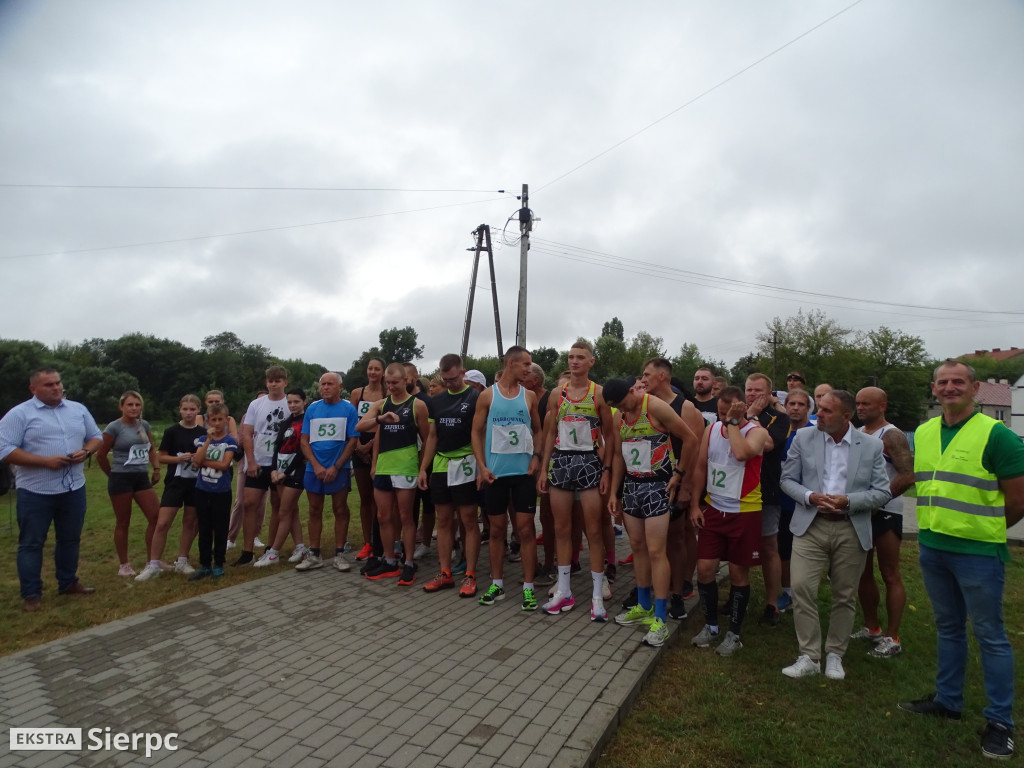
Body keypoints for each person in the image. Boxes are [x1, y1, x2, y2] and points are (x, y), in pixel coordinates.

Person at [898, 359, 1024, 760]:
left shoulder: (997, 435)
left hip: (978, 552)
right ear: (933, 389)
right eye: (942, 382)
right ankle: (948, 701)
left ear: (975, 389)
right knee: (948, 627)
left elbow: (1018, 499)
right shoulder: (925, 431)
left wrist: (986, 529)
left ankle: (1000, 722)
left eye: (958, 382)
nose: (949, 388)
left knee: (990, 636)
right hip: (933, 546)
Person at [779, 390, 889, 681]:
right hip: (810, 524)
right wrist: (809, 496)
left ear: (846, 416)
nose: (820, 415)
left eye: (827, 411)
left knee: (844, 594)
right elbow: (787, 479)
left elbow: (882, 492)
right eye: (820, 409)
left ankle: (835, 655)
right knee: (801, 587)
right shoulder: (804, 438)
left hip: (850, 526)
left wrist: (848, 501)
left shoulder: (870, 446)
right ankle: (810, 655)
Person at [0, 368, 102, 611]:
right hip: (36, 491)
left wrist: (86, 451)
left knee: (70, 539)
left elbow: (96, 436)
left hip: (73, 487)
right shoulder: (19, 414)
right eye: (48, 385)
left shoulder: (77, 409)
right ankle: (31, 594)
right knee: (32, 543)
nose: (56, 387)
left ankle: (68, 583)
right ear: (33, 389)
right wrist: (45, 462)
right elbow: (4, 450)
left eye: (58, 383)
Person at [605, 377, 695, 647]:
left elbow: (690, 438)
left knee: (657, 551)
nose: (622, 409)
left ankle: (660, 618)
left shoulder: (654, 406)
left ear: (633, 391)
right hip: (632, 486)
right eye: (617, 407)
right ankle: (643, 606)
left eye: (624, 403)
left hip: (658, 485)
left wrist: (679, 475)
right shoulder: (618, 416)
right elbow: (620, 456)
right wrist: (614, 493)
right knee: (638, 547)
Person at [538, 340, 614, 620]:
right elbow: (549, 432)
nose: (574, 361)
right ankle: (565, 592)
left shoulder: (599, 394)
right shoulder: (557, 394)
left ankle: (596, 595)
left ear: (591, 362)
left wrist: (606, 470)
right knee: (561, 529)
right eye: (570, 357)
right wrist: (545, 468)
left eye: (580, 357)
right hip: (562, 460)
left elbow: (610, 436)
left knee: (593, 531)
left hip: (589, 462)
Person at [689, 386, 767, 656]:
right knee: (705, 569)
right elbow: (700, 467)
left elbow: (742, 453)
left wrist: (734, 423)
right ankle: (711, 626)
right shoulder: (711, 430)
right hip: (714, 509)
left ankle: (734, 632)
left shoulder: (757, 432)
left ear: (741, 408)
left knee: (737, 574)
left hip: (744, 512)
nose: (721, 417)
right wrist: (694, 505)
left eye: (727, 412)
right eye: (720, 413)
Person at [472, 346, 542, 611]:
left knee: (526, 530)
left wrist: (536, 456)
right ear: (511, 363)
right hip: (495, 474)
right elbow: (476, 433)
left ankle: (528, 588)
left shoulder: (530, 396)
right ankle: (497, 584)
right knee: (497, 531)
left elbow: (538, 430)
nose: (529, 369)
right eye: (525, 364)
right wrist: (481, 466)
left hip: (523, 474)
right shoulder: (488, 396)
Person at [851, 386, 915, 658]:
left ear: (882, 405)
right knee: (862, 572)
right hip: (861, 511)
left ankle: (893, 636)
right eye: (858, 404)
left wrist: (879, 500)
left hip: (886, 511)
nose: (861, 408)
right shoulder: (856, 433)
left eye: (867, 404)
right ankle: (872, 627)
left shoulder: (891, 434)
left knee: (889, 573)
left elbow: (908, 474)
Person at [641, 358, 704, 619]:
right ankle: (651, 594)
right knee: (650, 545)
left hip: (674, 483)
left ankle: (677, 594)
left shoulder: (685, 408)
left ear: (663, 377)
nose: (642, 379)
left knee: (675, 541)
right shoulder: (643, 404)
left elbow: (698, 453)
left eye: (647, 375)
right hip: (647, 481)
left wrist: (686, 486)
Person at [357, 363, 430, 584]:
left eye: (395, 382)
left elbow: (428, 440)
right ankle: (389, 560)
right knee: (383, 516)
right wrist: (380, 419)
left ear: (406, 380)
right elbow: (360, 426)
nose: (391, 386)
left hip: (406, 467)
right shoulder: (381, 404)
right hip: (384, 468)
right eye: (388, 383)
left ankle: (408, 562)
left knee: (406, 516)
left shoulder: (417, 405)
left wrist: (423, 468)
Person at [419, 354, 481, 597]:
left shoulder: (475, 397)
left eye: (453, 379)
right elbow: (432, 436)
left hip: (466, 462)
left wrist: (482, 467)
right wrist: (425, 468)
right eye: (445, 380)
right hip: (442, 464)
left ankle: (470, 574)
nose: (449, 384)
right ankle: (445, 572)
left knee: (468, 520)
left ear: (462, 373)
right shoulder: (437, 400)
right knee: (444, 520)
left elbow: (480, 433)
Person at [136, 394, 206, 581]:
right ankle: (153, 564)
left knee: (190, 522)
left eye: (192, 409)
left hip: (195, 483)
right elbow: (161, 456)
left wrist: (198, 459)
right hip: (175, 483)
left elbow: (207, 456)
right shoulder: (172, 431)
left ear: (198, 410)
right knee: (162, 523)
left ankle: (182, 560)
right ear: (180, 409)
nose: (189, 413)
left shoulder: (203, 432)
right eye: (185, 409)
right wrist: (178, 459)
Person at [297, 373, 359, 572]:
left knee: (340, 508)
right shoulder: (312, 409)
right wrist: (315, 465)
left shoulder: (348, 409)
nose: (325, 387)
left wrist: (337, 466)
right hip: (314, 468)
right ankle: (314, 554)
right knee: (314, 509)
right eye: (322, 384)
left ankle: (340, 553)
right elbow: (304, 441)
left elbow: (352, 440)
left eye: (330, 384)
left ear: (339, 387)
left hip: (338, 469)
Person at [96, 391, 162, 577]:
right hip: (121, 478)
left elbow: (151, 449)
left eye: (137, 405)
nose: (134, 408)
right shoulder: (113, 427)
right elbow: (101, 455)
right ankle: (124, 565)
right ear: (121, 406)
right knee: (123, 522)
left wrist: (156, 469)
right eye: (130, 405)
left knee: (156, 517)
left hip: (141, 477)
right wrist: (112, 474)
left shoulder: (144, 425)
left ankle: (152, 561)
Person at [744, 373, 790, 628]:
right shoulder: (736, 414)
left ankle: (772, 602)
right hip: (737, 490)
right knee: (739, 545)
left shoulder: (780, 418)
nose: (751, 394)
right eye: (748, 389)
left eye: (757, 390)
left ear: (769, 394)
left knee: (769, 547)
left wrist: (751, 417)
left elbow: (769, 444)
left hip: (766, 490)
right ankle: (740, 595)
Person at [235, 366, 290, 565]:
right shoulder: (256, 404)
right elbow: (247, 433)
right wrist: (251, 461)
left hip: (281, 463)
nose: (274, 383)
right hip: (258, 462)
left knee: (278, 505)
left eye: (278, 380)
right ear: (266, 383)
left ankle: (271, 548)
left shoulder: (289, 402)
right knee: (249, 504)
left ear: (285, 382)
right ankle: (247, 551)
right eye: (270, 380)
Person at [254, 388, 309, 567]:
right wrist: (274, 470)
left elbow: (303, 450)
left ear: (304, 402)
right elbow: (277, 448)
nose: (292, 405)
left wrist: (286, 471)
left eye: (296, 402)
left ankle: (274, 552)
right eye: (290, 402)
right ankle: (300, 547)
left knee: (283, 512)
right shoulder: (286, 422)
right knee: (291, 511)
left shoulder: (307, 421)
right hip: (280, 471)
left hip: (296, 472)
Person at [188, 403, 238, 580]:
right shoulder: (203, 440)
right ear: (207, 421)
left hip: (221, 491)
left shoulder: (230, 442)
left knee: (220, 527)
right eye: (213, 420)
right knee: (204, 527)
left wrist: (203, 462)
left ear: (226, 420)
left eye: (220, 419)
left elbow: (224, 465)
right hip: (202, 489)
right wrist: (208, 441)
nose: (217, 423)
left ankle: (218, 563)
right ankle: (204, 564)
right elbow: (196, 462)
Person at [776, 387, 814, 612]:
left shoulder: (816, 431)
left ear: (808, 408)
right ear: (785, 406)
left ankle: (806, 591)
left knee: (807, 550)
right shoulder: (781, 431)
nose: (796, 408)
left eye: (801, 404)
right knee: (784, 548)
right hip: (783, 500)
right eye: (792, 404)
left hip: (808, 501)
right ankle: (788, 591)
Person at [350, 357, 385, 562]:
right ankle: (367, 542)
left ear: (382, 372)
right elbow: (351, 421)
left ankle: (382, 540)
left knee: (380, 498)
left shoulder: (386, 393)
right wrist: (358, 446)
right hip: (359, 445)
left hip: (379, 445)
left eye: (377, 369)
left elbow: (384, 422)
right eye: (370, 368)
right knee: (365, 498)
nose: (373, 372)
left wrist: (371, 446)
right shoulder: (357, 393)